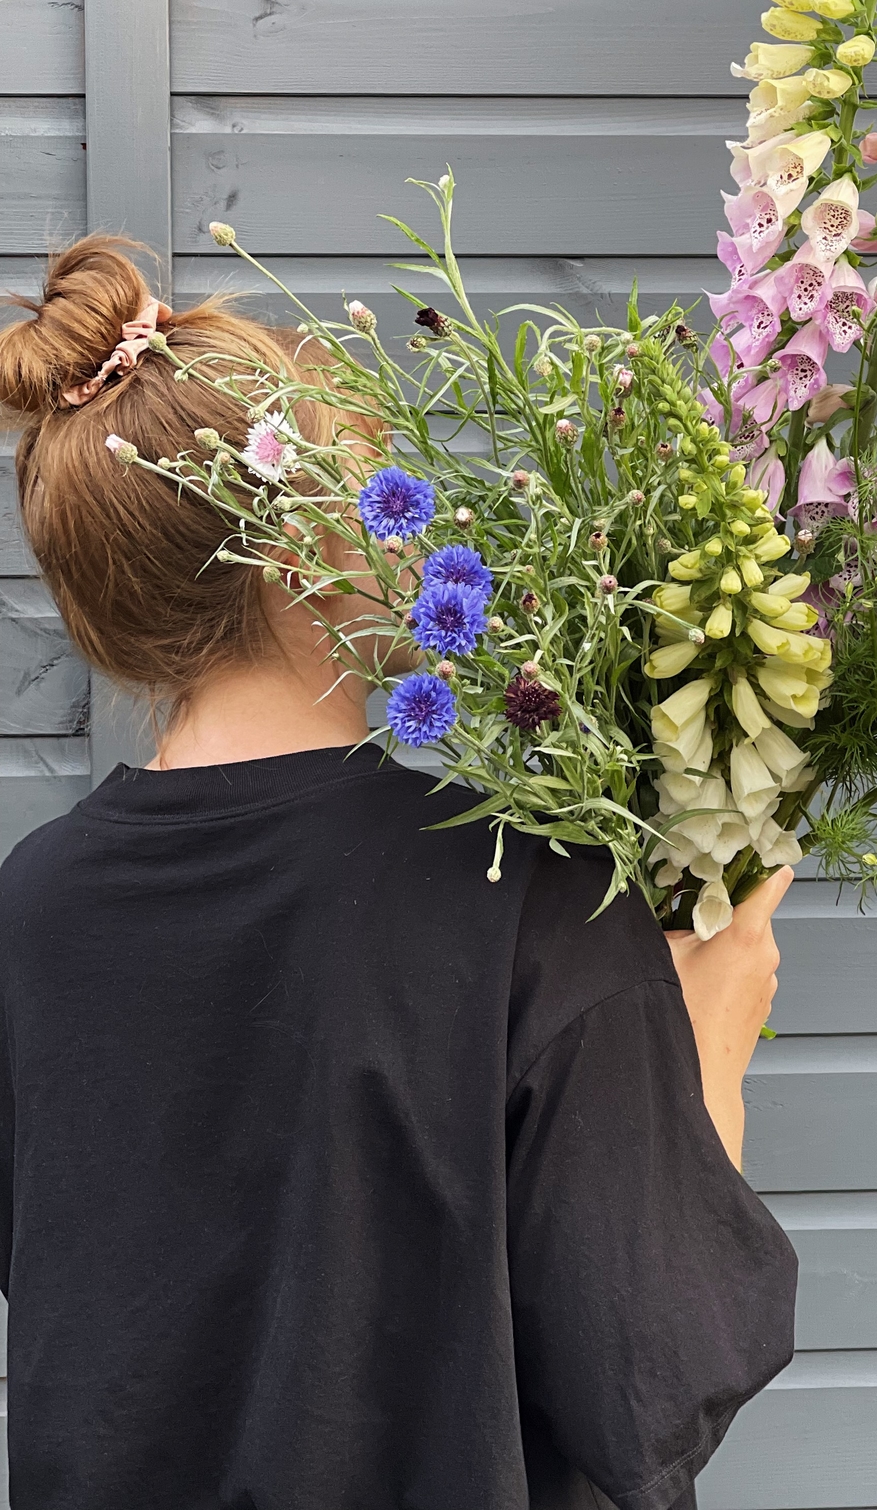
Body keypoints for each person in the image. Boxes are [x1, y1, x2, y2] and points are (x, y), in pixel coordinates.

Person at [0, 236, 797, 1510]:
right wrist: (706, 1046)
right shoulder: (522, 893)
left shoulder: (29, 912)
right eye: (383, 485)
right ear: (316, 541)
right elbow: (654, 1375)